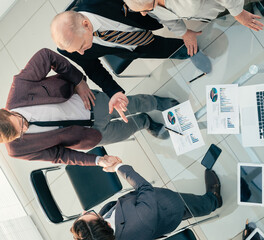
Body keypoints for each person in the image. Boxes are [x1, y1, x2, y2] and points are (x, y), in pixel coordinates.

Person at [1, 48, 178, 166]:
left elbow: (46, 55)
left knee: (133, 104)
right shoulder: (16, 150)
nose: (26, 127)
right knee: (127, 129)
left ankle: (156, 102)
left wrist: (78, 81)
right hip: (89, 136)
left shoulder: (20, 87)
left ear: (7, 112)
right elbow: (59, 156)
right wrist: (98, 160)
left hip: (91, 103)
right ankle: (145, 122)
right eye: (20, 133)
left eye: (20, 121)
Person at [50, 1, 211, 122]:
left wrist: (183, 30)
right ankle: (187, 51)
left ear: (86, 24)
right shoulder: (69, 48)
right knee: (160, 49)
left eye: (82, 45)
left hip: (146, 13)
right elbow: (93, 68)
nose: (82, 52)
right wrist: (113, 92)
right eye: (76, 51)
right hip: (130, 46)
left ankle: (188, 39)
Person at [70, 158, 222, 240]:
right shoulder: (140, 219)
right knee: (191, 206)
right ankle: (213, 200)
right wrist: (118, 167)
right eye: (88, 214)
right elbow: (144, 188)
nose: (83, 211)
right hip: (169, 207)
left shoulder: (99, 235)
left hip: (152, 217)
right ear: (106, 225)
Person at [123, 0, 264, 57]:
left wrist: (238, 12)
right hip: (214, 11)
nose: (143, 13)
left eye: (145, 9)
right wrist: (184, 32)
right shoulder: (152, 6)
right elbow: (166, 19)